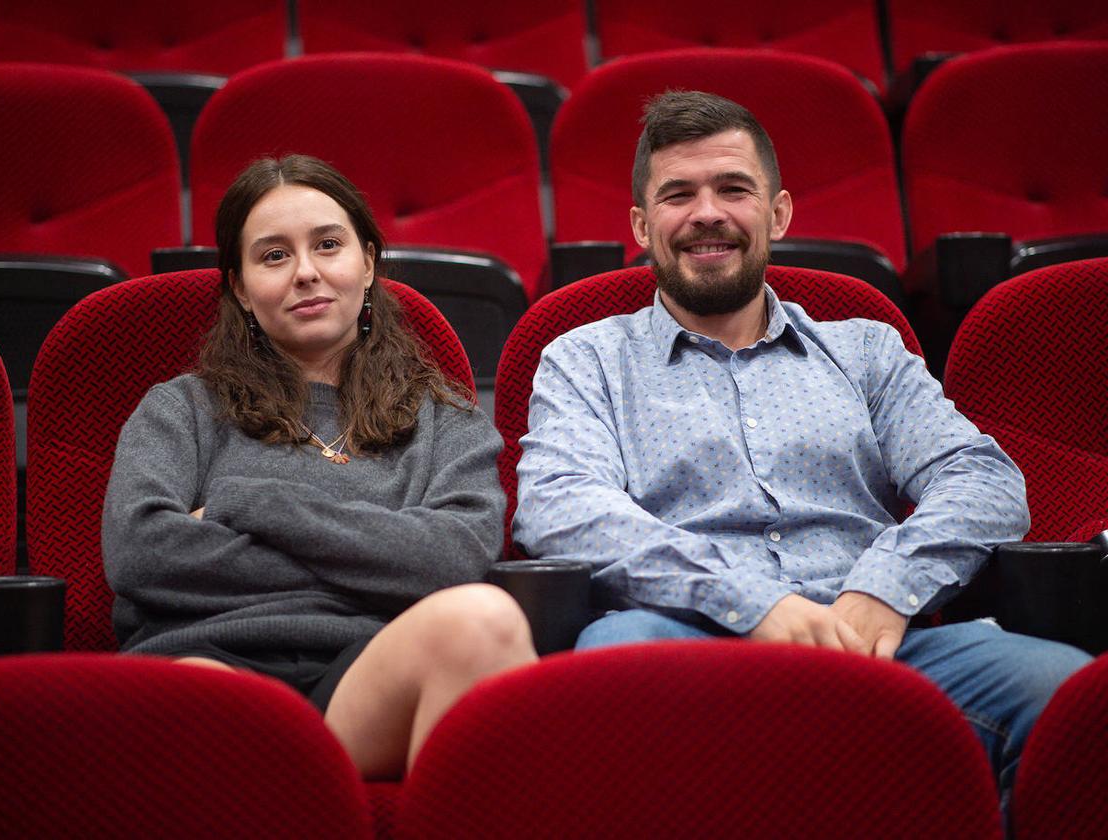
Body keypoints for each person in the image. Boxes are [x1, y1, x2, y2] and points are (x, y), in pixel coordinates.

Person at [513, 91, 1091, 806]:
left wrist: (885, 587)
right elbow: (560, 507)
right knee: (617, 669)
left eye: (733, 189)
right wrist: (750, 603)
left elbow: (985, 480)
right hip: (677, 636)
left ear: (778, 213)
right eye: (678, 195)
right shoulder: (585, 358)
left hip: (875, 639)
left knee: (1069, 695)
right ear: (641, 224)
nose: (707, 214)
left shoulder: (866, 349)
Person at [103, 155, 537, 779]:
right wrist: (379, 556)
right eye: (273, 256)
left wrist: (244, 504)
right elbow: (142, 553)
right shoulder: (181, 409)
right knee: (201, 699)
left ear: (366, 262)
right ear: (239, 286)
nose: (306, 272)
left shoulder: (445, 418)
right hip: (206, 659)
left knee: (484, 618)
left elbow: (453, 560)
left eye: (328, 245)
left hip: (373, 675)